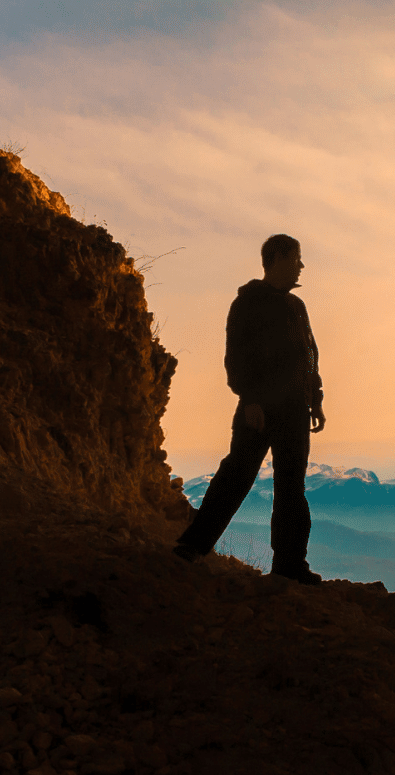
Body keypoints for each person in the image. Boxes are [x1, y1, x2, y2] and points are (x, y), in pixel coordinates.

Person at [173, 234, 327, 584]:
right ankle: (193, 546)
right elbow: (236, 356)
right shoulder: (248, 303)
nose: (301, 266)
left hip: (295, 410)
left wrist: (314, 397)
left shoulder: (296, 307)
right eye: (296, 258)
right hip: (259, 409)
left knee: (292, 487)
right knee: (237, 476)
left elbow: (309, 355)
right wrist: (252, 399)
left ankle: (290, 565)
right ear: (276, 259)